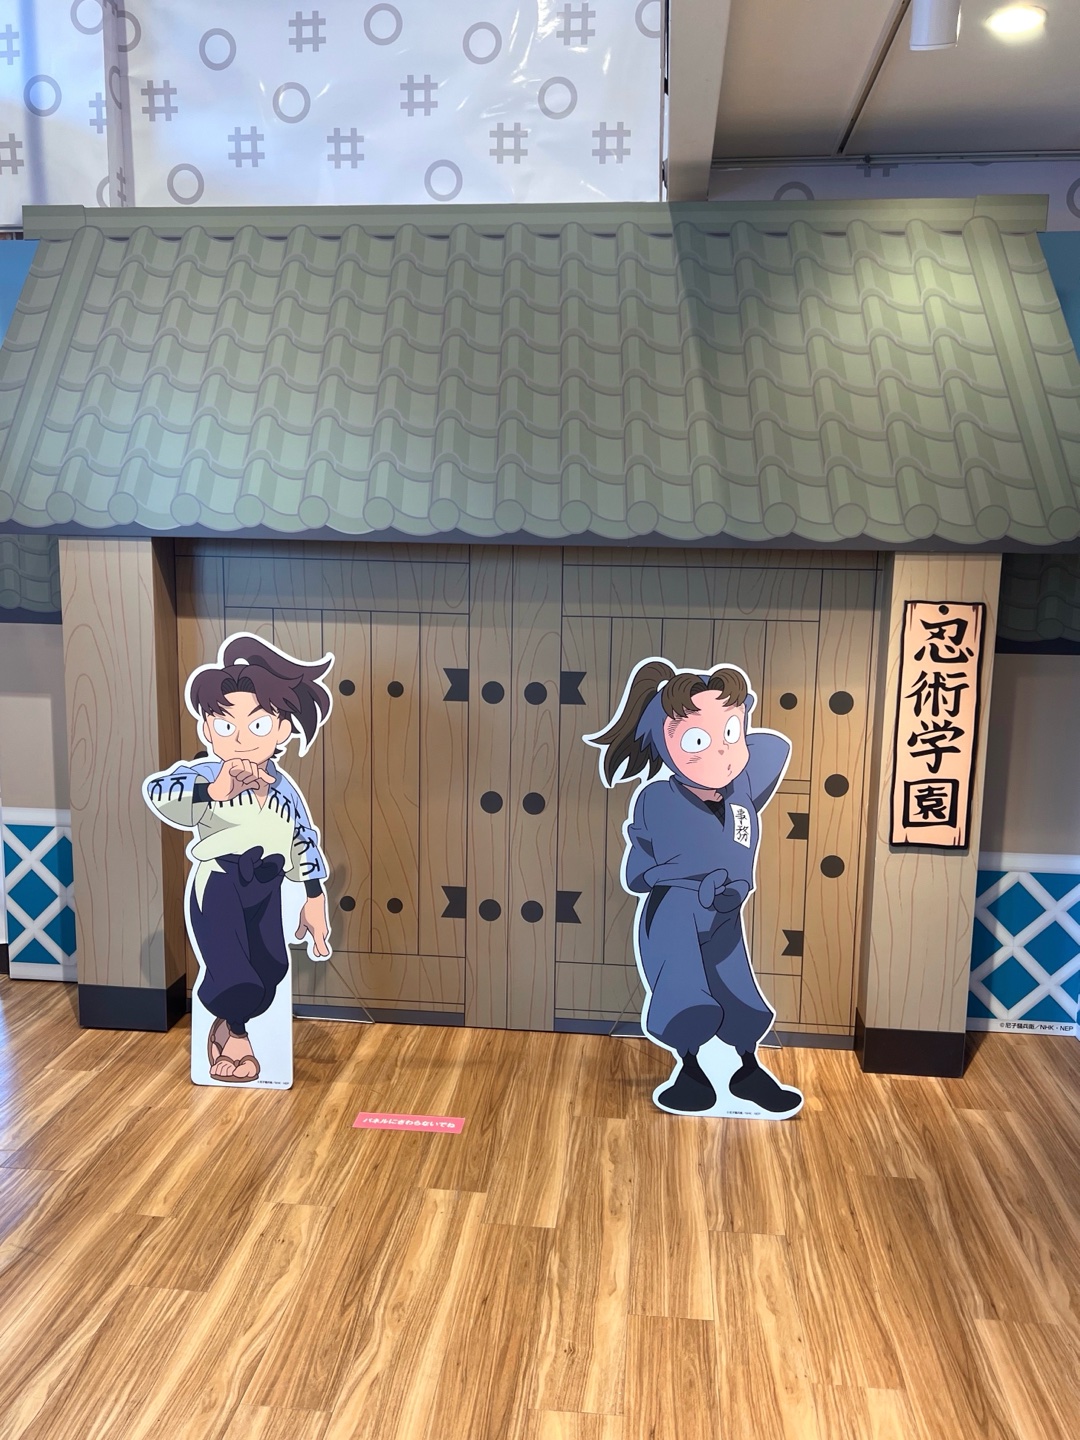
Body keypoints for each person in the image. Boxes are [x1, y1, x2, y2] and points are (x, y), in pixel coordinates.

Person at [587, 658, 802, 1117]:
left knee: (736, 987)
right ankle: (689, 1070)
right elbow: (639, 870)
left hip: (725, 910)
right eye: (697, 741)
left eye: (731, 734)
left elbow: (775, 747)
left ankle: (747, 1070)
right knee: (683, 989)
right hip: (675, 911)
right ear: (664, 742)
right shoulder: (657, 798)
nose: (720, 753)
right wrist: (687, 882)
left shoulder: (741, 789)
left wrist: (733, 715)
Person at [145, 633, 333, 1083]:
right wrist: (214, 790)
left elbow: (303, 841)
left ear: (282, 729)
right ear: (209, 730)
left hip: (267, 887)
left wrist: (314, 898)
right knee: (232, 968)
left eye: (259, 725)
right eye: (226, 726)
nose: (243, 738)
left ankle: (228, 1024)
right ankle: (237, 1040)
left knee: (271, 967)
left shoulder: (285, 790)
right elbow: (160, 792)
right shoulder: (206, 774)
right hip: (219, 885)